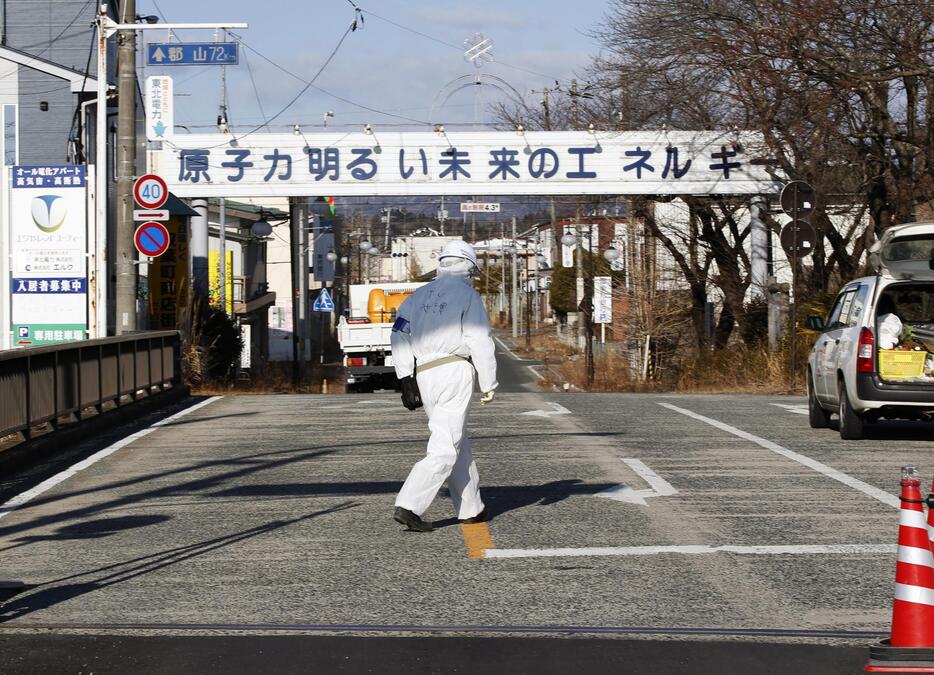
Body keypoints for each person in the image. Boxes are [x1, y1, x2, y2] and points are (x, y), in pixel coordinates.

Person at [390, 240, 498, 532]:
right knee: (446, 446)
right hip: (454, 369)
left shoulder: (417, 296)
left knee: (456, 439)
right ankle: (409, 504)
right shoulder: (467, 295)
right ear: (468, 267)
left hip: (424, 373)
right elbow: (479, 339)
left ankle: (471, 508)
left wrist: (405, 376)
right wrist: (489, 381)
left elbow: (399, 334)